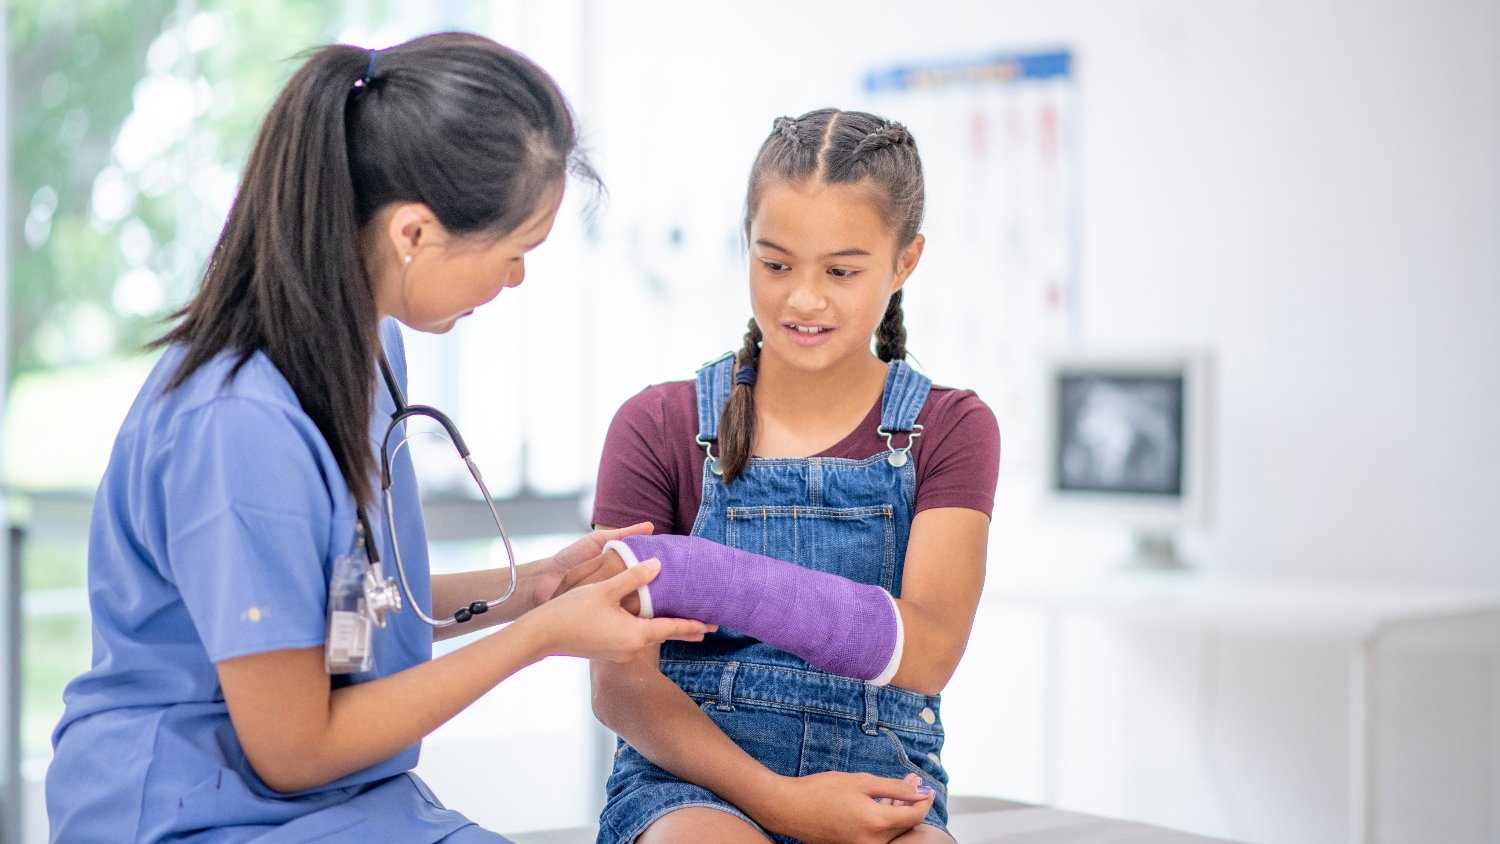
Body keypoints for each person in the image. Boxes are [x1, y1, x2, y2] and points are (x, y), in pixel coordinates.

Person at [44, 33, 711, 843]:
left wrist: (537, 586)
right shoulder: (238, 425)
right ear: (414, 233)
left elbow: (353, 597)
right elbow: (294, 747)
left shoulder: (365, 349)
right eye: (514, 251)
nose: (517, 280)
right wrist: (539, 639)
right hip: (197, 809)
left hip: (336, 800)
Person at [582, 109, 1001, 843]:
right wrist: (776, 801)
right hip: (691, 785)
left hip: (879, 780)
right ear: (745, 244)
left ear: (905, 261)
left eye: (841, 271)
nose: (803, 299)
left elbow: (929, 653)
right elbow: (619, 683)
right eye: (774, 264)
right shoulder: (655, 425)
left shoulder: (953, 428)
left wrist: (707, 575)